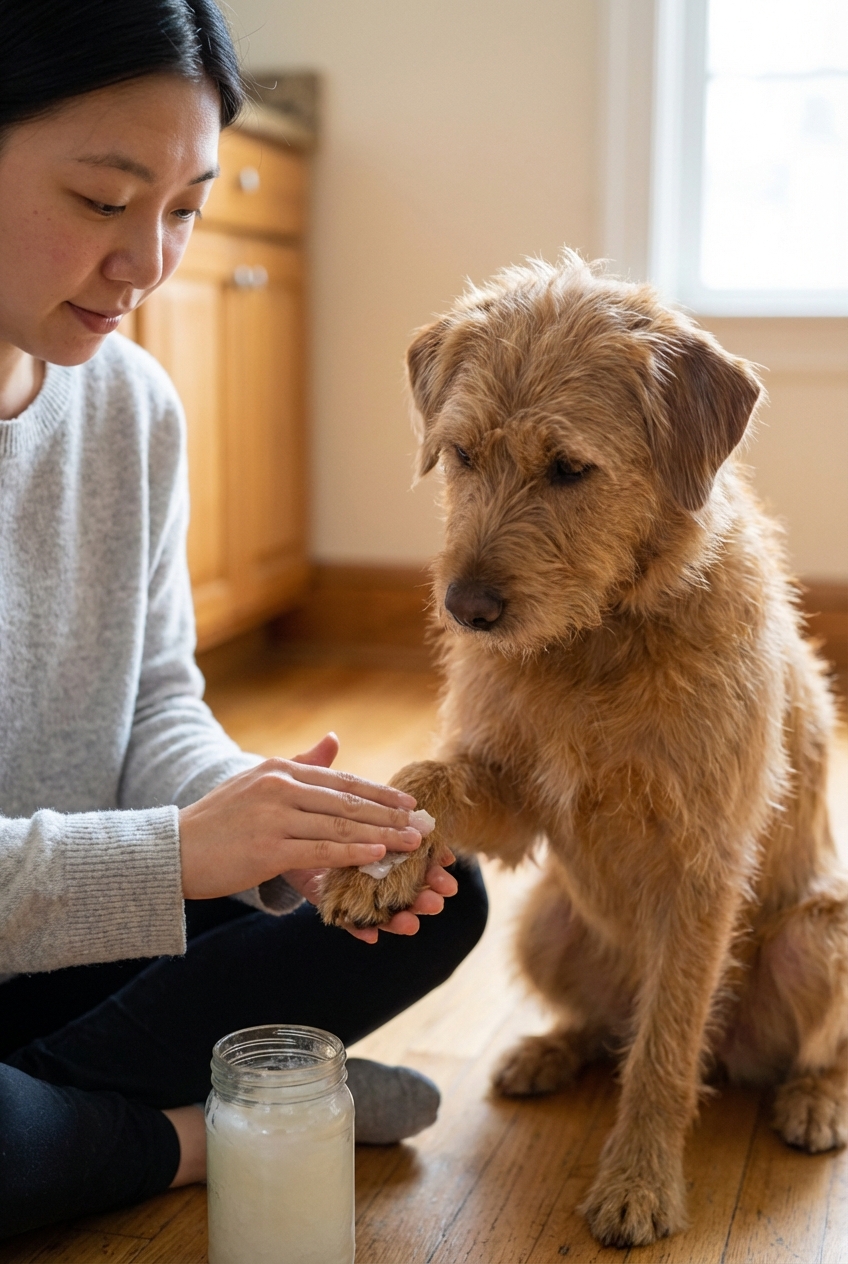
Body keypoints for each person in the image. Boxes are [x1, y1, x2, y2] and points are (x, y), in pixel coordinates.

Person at [0, 0, 488, 1239]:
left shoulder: (129, 406)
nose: (149, 265)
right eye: (103, 203)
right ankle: (203, 1127)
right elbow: (154, 851)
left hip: (64, 927)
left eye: (183, 208)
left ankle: (59, 1131)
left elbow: (156, 696)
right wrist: (175, 854)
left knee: (434, 887)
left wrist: (267, 825)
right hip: (68, 901)